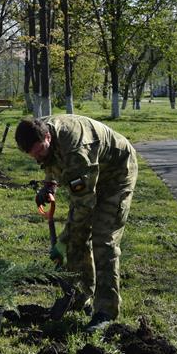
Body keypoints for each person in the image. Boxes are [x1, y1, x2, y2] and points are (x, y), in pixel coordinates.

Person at [15, 115, 138, 332]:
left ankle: (106, 311)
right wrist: (50, 185)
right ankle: (80, 297)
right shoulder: (38, 129)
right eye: (32, 155)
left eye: (39, 151)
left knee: (103, 239)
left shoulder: (76, 152)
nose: (37, 158)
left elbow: (84, 206)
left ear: (47, 137)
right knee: (77, 238)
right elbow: (50, 159)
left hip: (116, 174)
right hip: (89, 172)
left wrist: (63, 240)